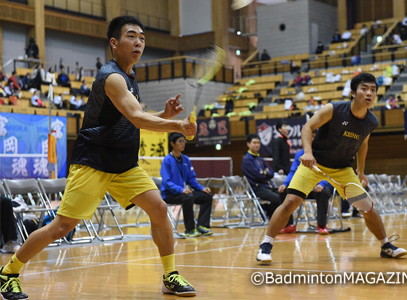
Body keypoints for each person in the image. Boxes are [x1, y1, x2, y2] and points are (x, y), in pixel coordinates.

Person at [0, 16, 198, 299]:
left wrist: (165, 116)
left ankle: (170, 275)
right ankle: (9, 273)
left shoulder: (129, 77)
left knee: (159, 208)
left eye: (142, 38)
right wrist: (177, 125)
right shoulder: (113, 77)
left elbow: (132, 117)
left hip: (123, 165)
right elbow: (136, 117)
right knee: (63, 226)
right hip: (93, 162)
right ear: (114, 43)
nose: (139, 42)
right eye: (131, 36)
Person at [255, 73, 407, 265]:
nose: (369, 93)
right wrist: (308, 152)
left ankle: (386, 246)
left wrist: (361, 172)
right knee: (290, 202)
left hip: (343, 169)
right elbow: (307, 128)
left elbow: (363, 144)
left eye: (373, 90)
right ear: (353, 93)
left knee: (367, 208)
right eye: (364, 89)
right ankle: (266, 245)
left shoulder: (371, 121)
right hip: (314, 164)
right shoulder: (333, 109)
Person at [160, 132, 213, 237]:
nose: (183, 144)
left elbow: (191, 179)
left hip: (185, 193)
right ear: (173, 144)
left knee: (207, 196)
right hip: (170, 195)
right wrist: (181, 190)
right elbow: (166, 182)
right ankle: (190, 230)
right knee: (188, 198)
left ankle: (202, 225)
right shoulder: (167, 160)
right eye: (180, 141)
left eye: (184, 141)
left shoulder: (186, 159)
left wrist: (202, 188)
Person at [277, 148, 332, 235]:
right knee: (284, 191)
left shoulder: (325, 152)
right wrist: (285, 183)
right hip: (304, 188)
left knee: (323, 192)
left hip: (320, 187)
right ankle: (288, 225)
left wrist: (322, 184)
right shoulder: (300, 154)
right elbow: (293, 171)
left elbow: (329, 172)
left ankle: (321, 226)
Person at [242, 134, 281, 220]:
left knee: (284, 195)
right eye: (254, 142)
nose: (257, 145)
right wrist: (265, 173)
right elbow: (257, 176)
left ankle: (282, 221)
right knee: (276, 198)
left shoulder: (259, 158)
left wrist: (265, 173)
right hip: (257, 189)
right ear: (248, 144)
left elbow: (271, 173)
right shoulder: (247, 159)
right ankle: (272, 218)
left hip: (268, 187)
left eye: (258, 143)